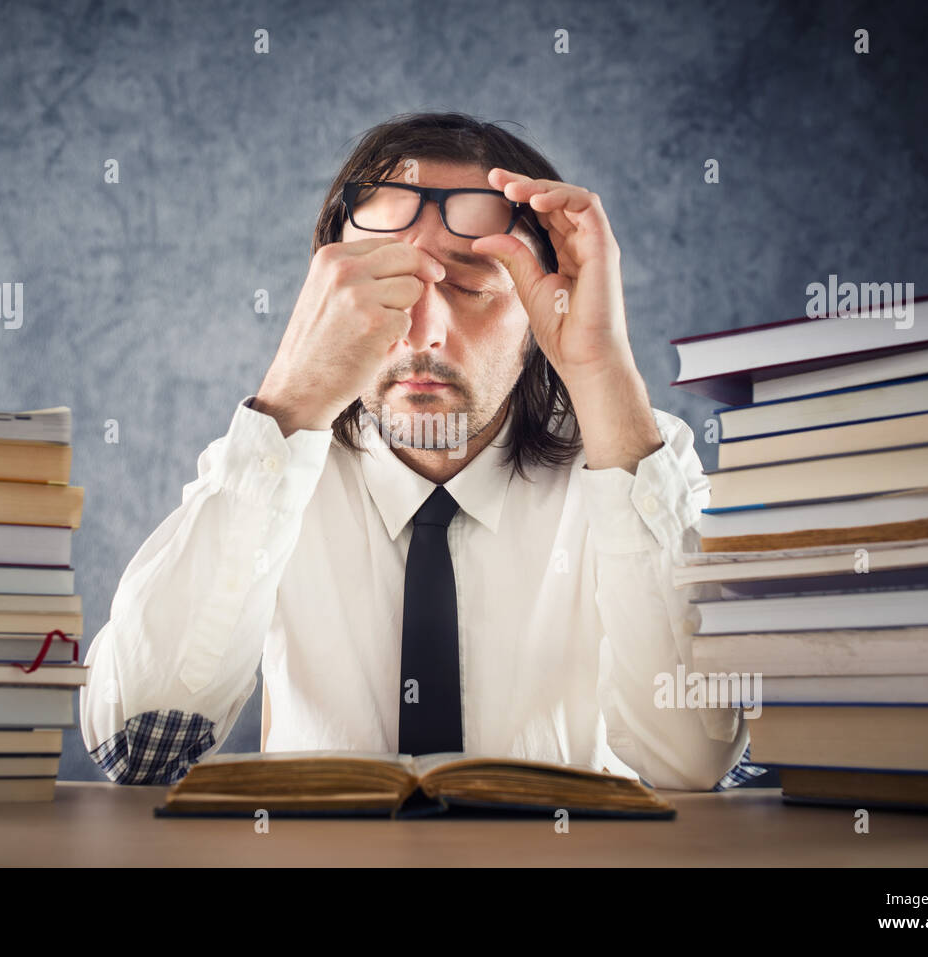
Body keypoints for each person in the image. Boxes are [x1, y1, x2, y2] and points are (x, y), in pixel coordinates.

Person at [80, 111, 762, 790]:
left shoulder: (633, 463)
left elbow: (695, 761)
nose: (422, 330)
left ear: (541, 312)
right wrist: (289, 400)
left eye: (469, 286)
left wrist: (604, 371)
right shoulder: (272, 469)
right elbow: (136, 748)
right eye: (385, 282)